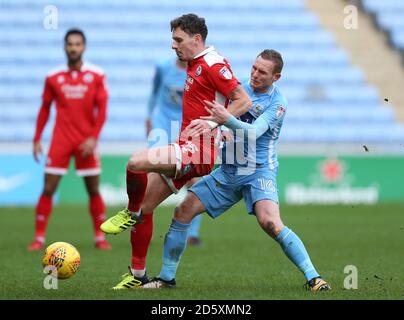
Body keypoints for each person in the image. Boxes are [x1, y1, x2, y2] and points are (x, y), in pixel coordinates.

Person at [140, 49, 331, 292]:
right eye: (254, 68)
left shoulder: (278, 104)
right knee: (182, 211)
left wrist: (225, 119)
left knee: (270, 222)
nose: (255, 74)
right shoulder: (239, 90)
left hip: (259, 172)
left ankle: (314, 278)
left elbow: (252, 132)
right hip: (228, 171)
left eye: (262, 72)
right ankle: (167, 279)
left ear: (276, 77)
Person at [100, 13, 252, 288]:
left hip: (199, 151)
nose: (173, 45)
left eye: (178, 39)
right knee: (147, 209)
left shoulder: (214, 64)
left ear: (196, 39)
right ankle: (138, 276)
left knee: (135, 163)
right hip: (187, 147)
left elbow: (244, 101)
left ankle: (128, 213)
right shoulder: (194, 63)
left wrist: (213, 121)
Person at [28, 29, 111, 251]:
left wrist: (94, 138)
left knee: (93, 190)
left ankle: (99, 237)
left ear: (83, 47)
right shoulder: (53, 76)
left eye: (77, 44)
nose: (73, 48)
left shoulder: (96, 75)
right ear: (65, 47)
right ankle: (38, 238)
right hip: (61, 141)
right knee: (48, 188)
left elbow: (102, 110)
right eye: (70, 44)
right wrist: (37, 138)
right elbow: (44, 109)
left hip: (86, 142)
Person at [146, 56, 203, 246]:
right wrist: (148, 117)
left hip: (186, 129)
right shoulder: (163, 67)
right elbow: (154, 93)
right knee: (151, 176)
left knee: (194, 181)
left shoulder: (199, 71)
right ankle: (143, 224)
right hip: (163, 128)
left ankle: (192, 233)